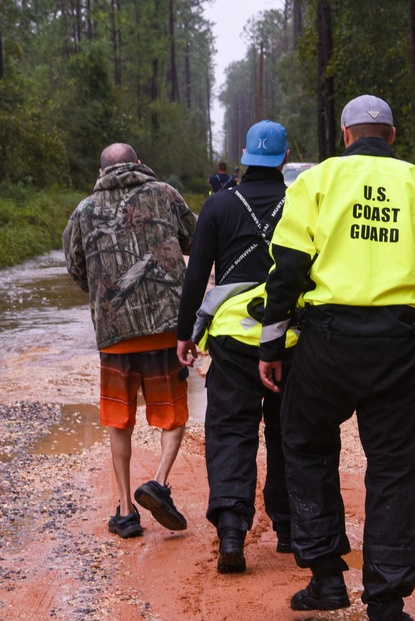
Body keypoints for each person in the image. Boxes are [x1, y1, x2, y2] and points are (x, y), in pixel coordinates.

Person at [257, 95, 415, 621]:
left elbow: (286, 268)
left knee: (304, 445)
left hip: (326, 342)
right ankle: (386, 609)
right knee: (393, 470)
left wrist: (270, 343)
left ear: (347, 135)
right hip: (396, 345)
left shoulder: (317, 182)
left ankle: (327, 577)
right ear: (392, 136)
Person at [177, 120, 295, 574]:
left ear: (244, 156)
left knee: (230, 430)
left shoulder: (219, 206)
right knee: (289, 433)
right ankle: (289, 531)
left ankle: (231, 530)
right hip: (288, 337)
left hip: (230, 338)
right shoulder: (302, 204)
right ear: (285, 158)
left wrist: (184, 333)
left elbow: (196, 275)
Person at [63, 142, 197, 539]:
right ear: (139, 164)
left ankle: (125, 511)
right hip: (165, 329)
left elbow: (76, 267)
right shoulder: (166, 194)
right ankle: (157, 482)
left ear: (100, 171)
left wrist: (105, 296)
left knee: (119, 421)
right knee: (172, 416)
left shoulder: (84, 210)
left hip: (116, 337)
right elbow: (192, 240)